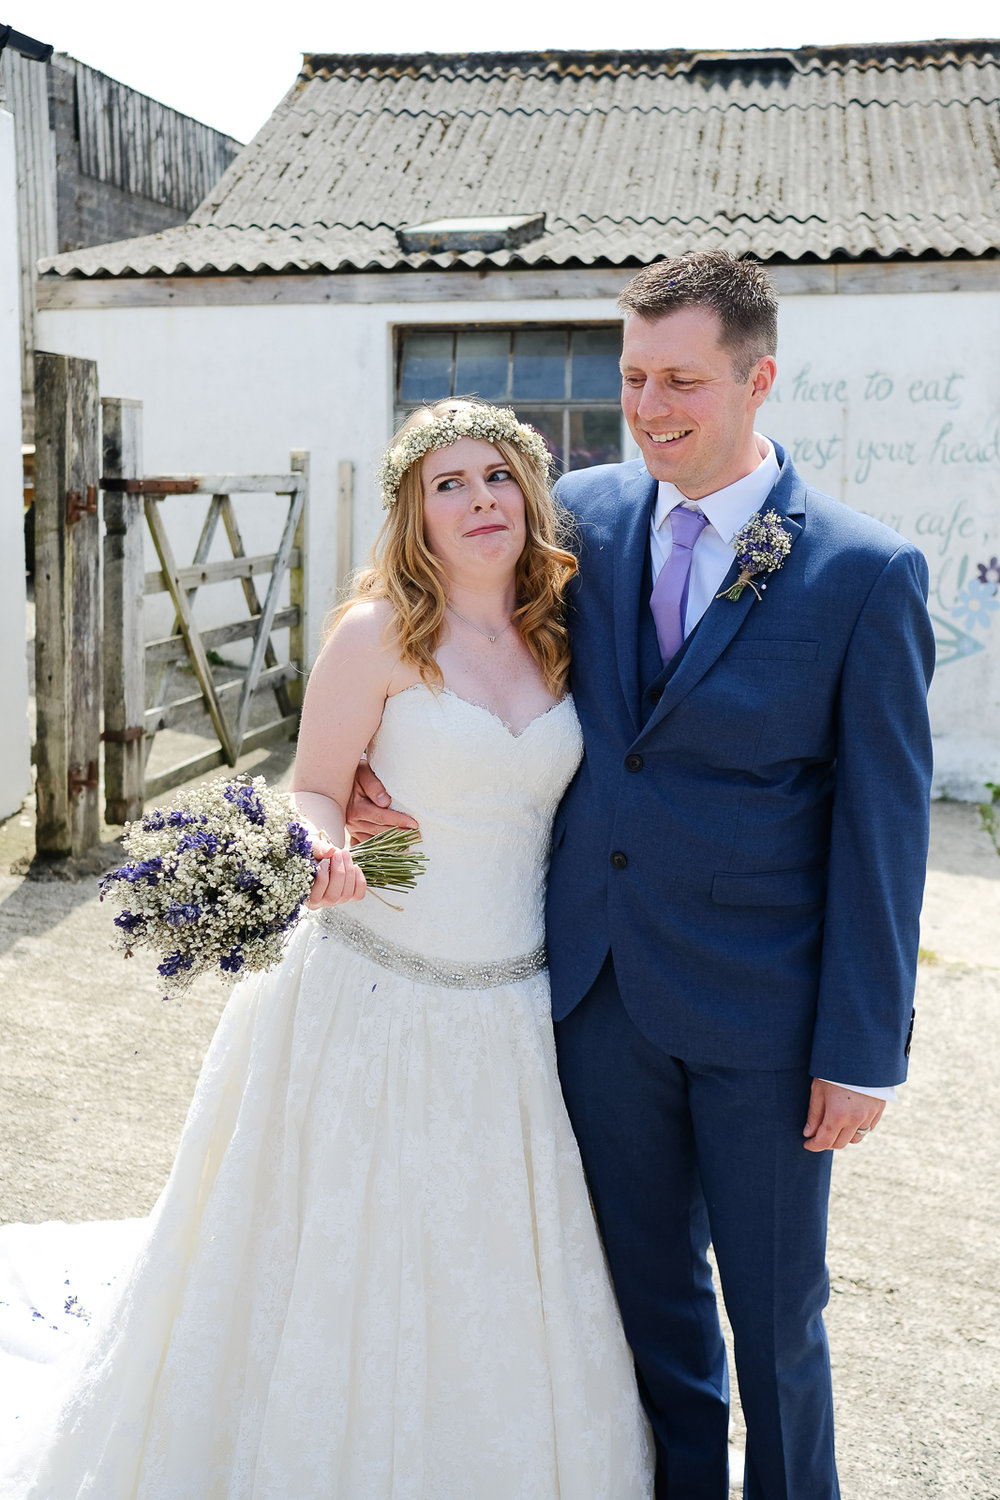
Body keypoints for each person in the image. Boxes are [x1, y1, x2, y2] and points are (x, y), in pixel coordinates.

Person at [353, 253, 935, 1499]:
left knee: (777, 1320)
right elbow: (448, 664)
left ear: (756, 378)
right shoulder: (580, 518)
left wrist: (864, 1045)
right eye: (631, 378)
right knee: (643, 1305)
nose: (651, 406)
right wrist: (367, 795)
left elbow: (884, 829)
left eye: (681, 380)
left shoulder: (862, 572)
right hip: (598, 993)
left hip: (768, 1019)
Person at [0, 400, 653, 1499]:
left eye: (495, 475)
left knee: (487, 1271)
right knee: (339, 1261)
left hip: (511, 1007)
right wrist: (325, 846)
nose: (477, 498)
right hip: (371, 986)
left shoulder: (567, 636)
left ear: (529, 493)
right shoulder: (377, 634)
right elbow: (314, 785)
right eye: (446, 484)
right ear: (415, 513)